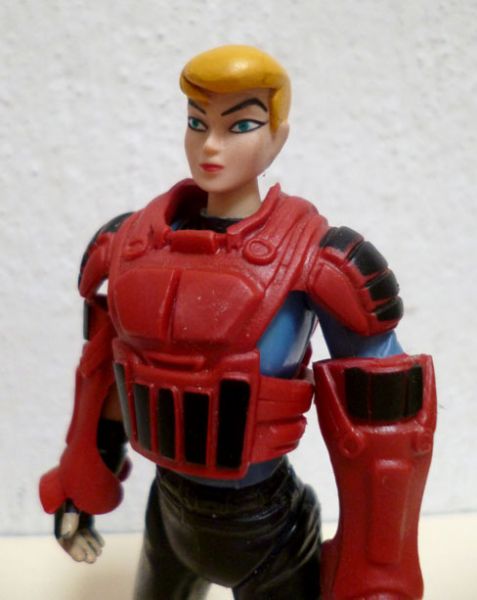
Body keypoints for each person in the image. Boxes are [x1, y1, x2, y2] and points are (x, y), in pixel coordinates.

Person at [40, 45, 436, 600]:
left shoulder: (317, 259)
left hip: (264, 526)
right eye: (197, 122)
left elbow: (385, 428)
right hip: (167, 512)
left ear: (277, 137)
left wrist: (377, 571)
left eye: (241, 125)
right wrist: (80, 481)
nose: (211, 145)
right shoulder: (129, 244)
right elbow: (103, 378)